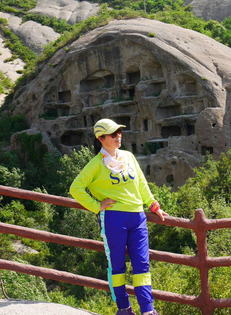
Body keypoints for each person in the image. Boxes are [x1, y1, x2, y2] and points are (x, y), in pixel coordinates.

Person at [70, 118, 168, 315]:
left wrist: (153, 205)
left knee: (142, 264)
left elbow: (141, 183)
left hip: (137, 216)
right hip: (113, 219)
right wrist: (96, 206)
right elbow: (76, 188)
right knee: (117, 265)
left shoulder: (128, 156)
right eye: (113, 134)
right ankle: (124, 309)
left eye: (119, 132)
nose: (118, 136)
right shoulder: (96, 164)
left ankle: (148, 310)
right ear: (101, 138)